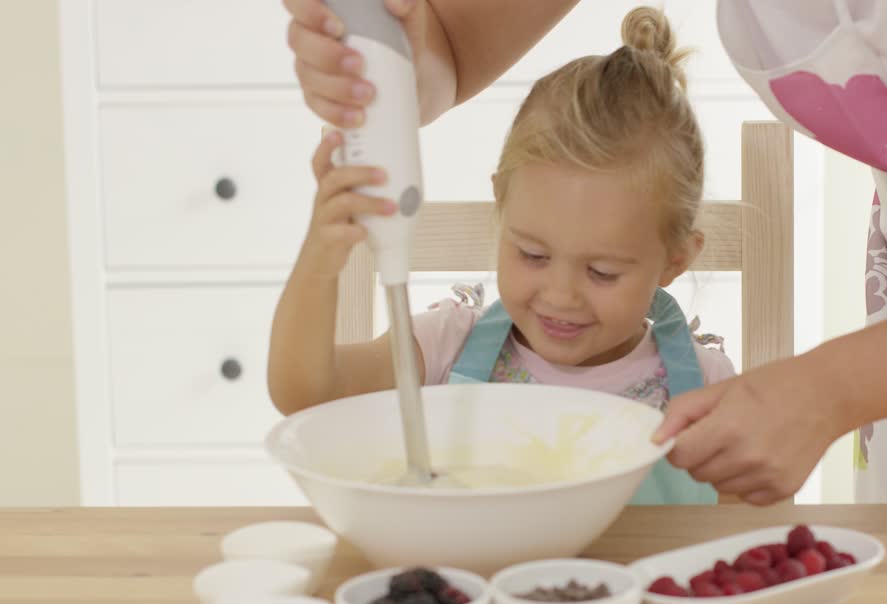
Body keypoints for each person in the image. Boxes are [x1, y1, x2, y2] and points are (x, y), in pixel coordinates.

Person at [284, 0, 887, 504]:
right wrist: (403, 62)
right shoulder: (463, 335)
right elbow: (449, 46)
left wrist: (821, 391)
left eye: (600, 268)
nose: (561, 292)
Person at [268, 7, 734, 505]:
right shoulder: (445, 346)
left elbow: (747, 538)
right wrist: (320, 258)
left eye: (602, 272)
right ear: (501, 209)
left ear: (675, 260)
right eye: (532, 254)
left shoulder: (708, 390)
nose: (560, 294)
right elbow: (306, 394)